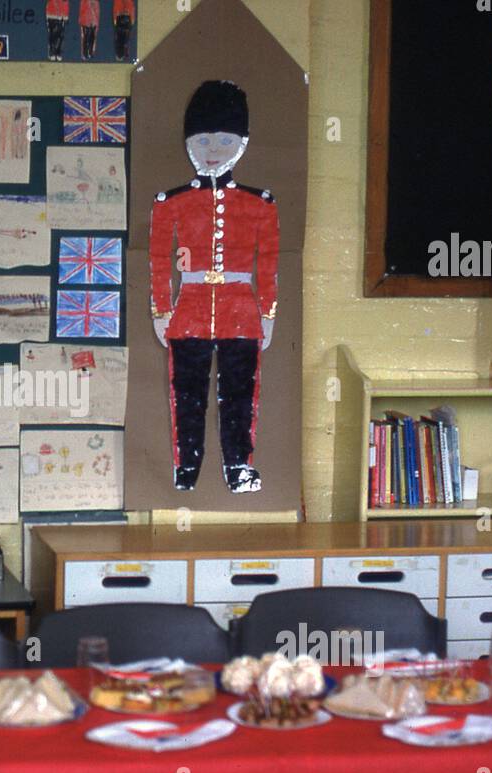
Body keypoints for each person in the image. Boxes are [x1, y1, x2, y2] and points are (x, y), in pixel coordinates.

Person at [148, 81, 279, 494]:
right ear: (189, 142)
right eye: (203, 139)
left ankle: (239, 465)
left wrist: (268, 311)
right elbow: (157, 260)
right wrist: (161, 310)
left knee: (239, 396)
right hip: (188, 308)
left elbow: (269, 263)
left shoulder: (261, 204)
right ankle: (186, 467)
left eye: (224, 140)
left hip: (241, 309)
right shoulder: (171, 203)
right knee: (187, 395)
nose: (213, 149)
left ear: (242, 143)